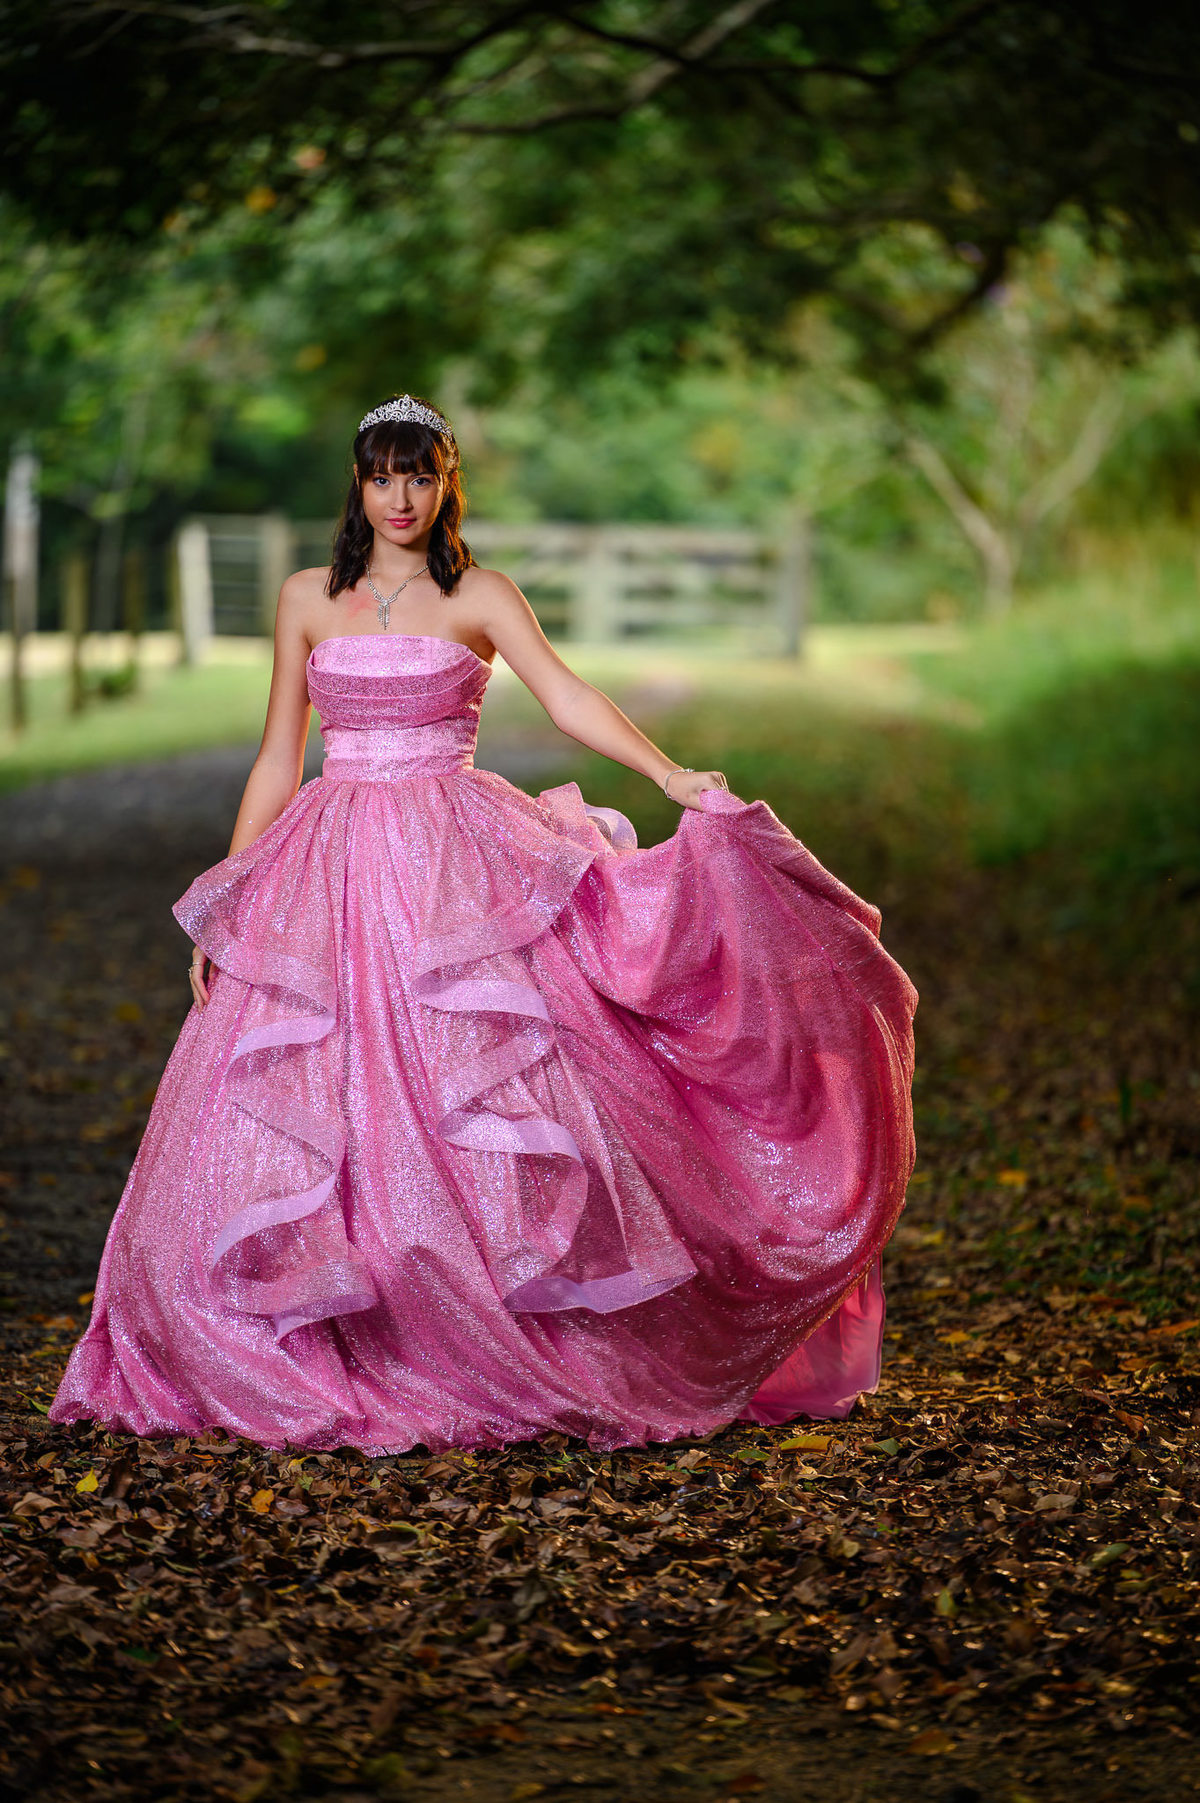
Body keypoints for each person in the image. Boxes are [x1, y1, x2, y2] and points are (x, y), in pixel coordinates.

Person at [50, 394, 917, 1454]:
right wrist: (232, 902)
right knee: (313, 1099)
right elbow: (280, 752)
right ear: (358, 486)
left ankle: (481, 1323)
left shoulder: (482, 595)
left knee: (490, 1090)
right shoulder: (307, 599)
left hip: (455, 860)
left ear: (446, 483)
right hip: (329, 859)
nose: (401, 497)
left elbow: (566, 698)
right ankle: (321, 1330)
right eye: (382, 477)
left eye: (420, 476)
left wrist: (666, 772)